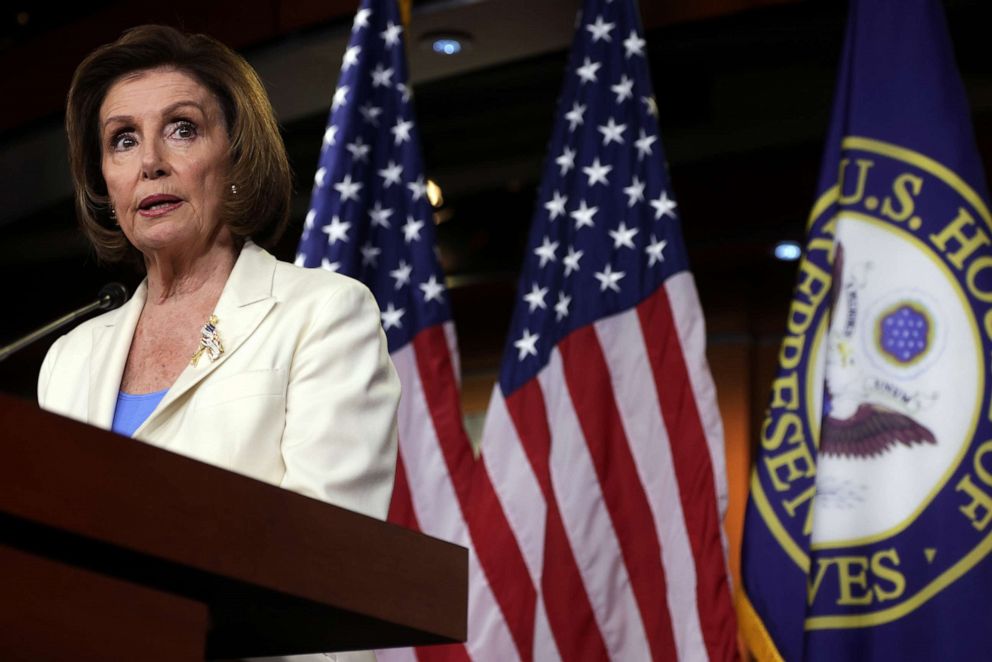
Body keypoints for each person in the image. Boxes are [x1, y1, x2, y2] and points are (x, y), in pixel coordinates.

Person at [36, 24, 400, 662]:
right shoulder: (69, 358)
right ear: (105, 180)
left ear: (236, 154)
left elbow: (327, 558)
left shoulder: (322, 313)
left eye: (181, 128)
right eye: (123, 140)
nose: (150, 161)